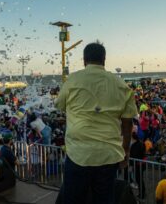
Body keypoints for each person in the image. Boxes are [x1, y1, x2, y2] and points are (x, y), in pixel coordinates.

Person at [55, 42, 137, 204]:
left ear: (84, 60)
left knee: (72, 199)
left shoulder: (72, 80)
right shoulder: (121, 85)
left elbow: (60, 105)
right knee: (104, 199)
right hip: (108, 154)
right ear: (104, 60)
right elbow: (127, 124)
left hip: (78, 153)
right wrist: (125, 152)